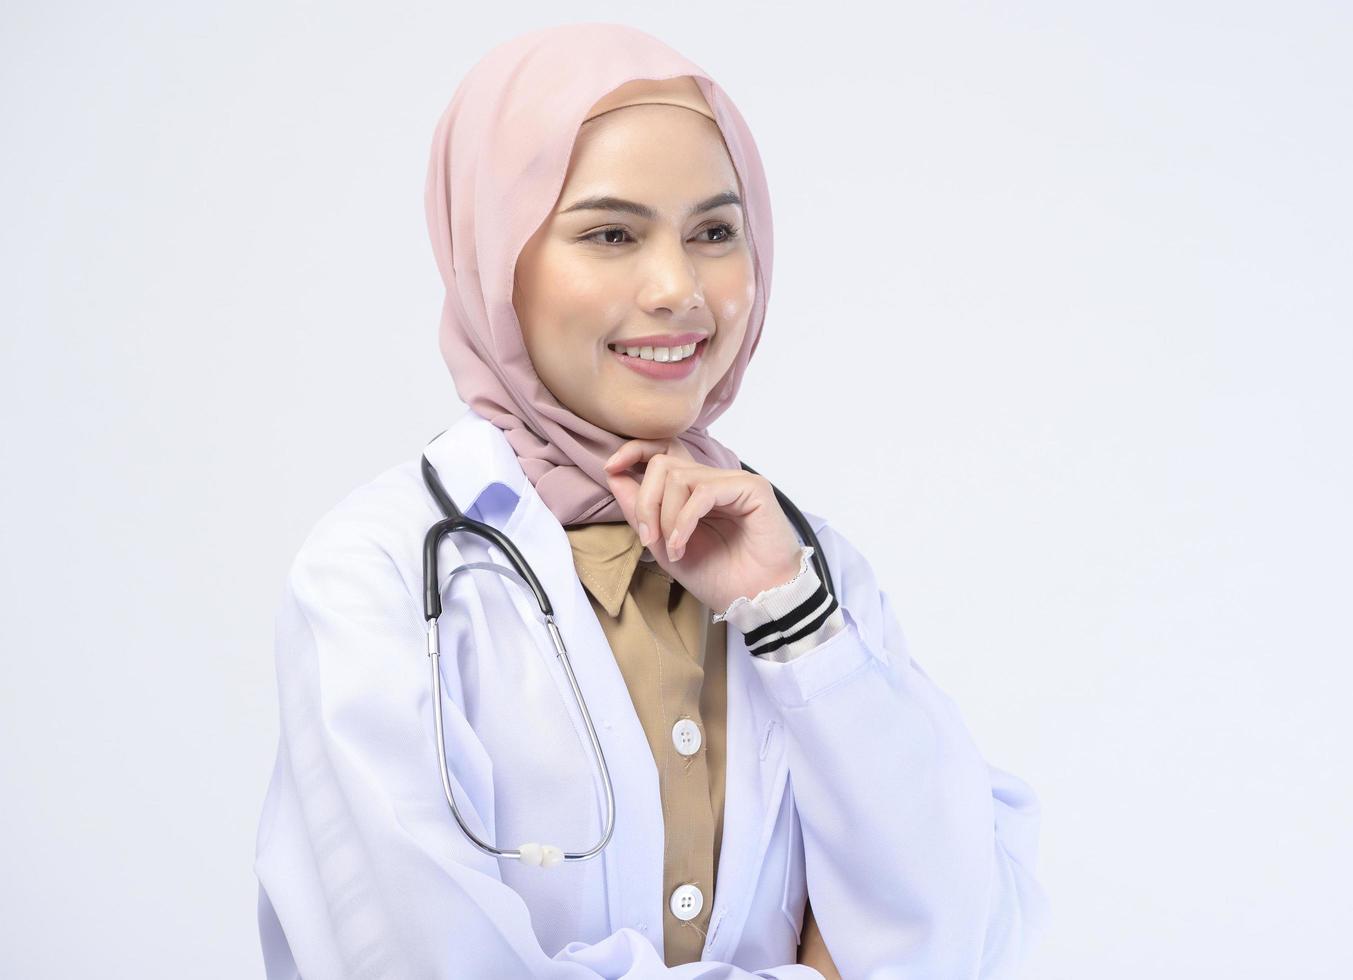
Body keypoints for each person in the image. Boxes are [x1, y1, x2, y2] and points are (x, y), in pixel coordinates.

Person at [254, 22, 1049, 979]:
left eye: (715, 232)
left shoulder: (803, 570)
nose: (679, 289)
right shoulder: (376, 575)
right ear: (494, 258)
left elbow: (972, 936)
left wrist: (796, 625)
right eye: (610, 234)